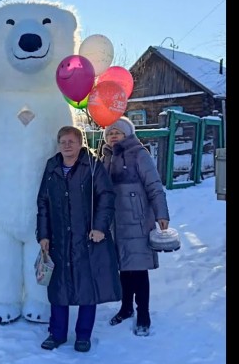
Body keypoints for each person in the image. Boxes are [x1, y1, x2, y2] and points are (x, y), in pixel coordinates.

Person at [36, 125, 121, 353]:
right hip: (59, 238)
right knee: (59, 287)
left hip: (87, 238)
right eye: (63, 141)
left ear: (80, 143)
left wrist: (100, 227)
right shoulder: (52, 166)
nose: (66, 145)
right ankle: (57, 334)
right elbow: (43, 202)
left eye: (71, 141)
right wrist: (43, 234)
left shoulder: (91, 166)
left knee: (87, 287)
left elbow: (106, 196)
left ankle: (83, 335)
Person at [101, 116, 170, 337]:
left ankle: (143, 314)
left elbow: (154, 185)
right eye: (110, 133)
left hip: (137, 220)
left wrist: (162, 214)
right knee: (123, 268)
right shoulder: (105, 157)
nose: (113, 136)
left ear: (127, 134)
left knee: (138, 269)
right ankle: (126, 307)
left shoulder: (139, 154)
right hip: (115, 223)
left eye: (117, 132)